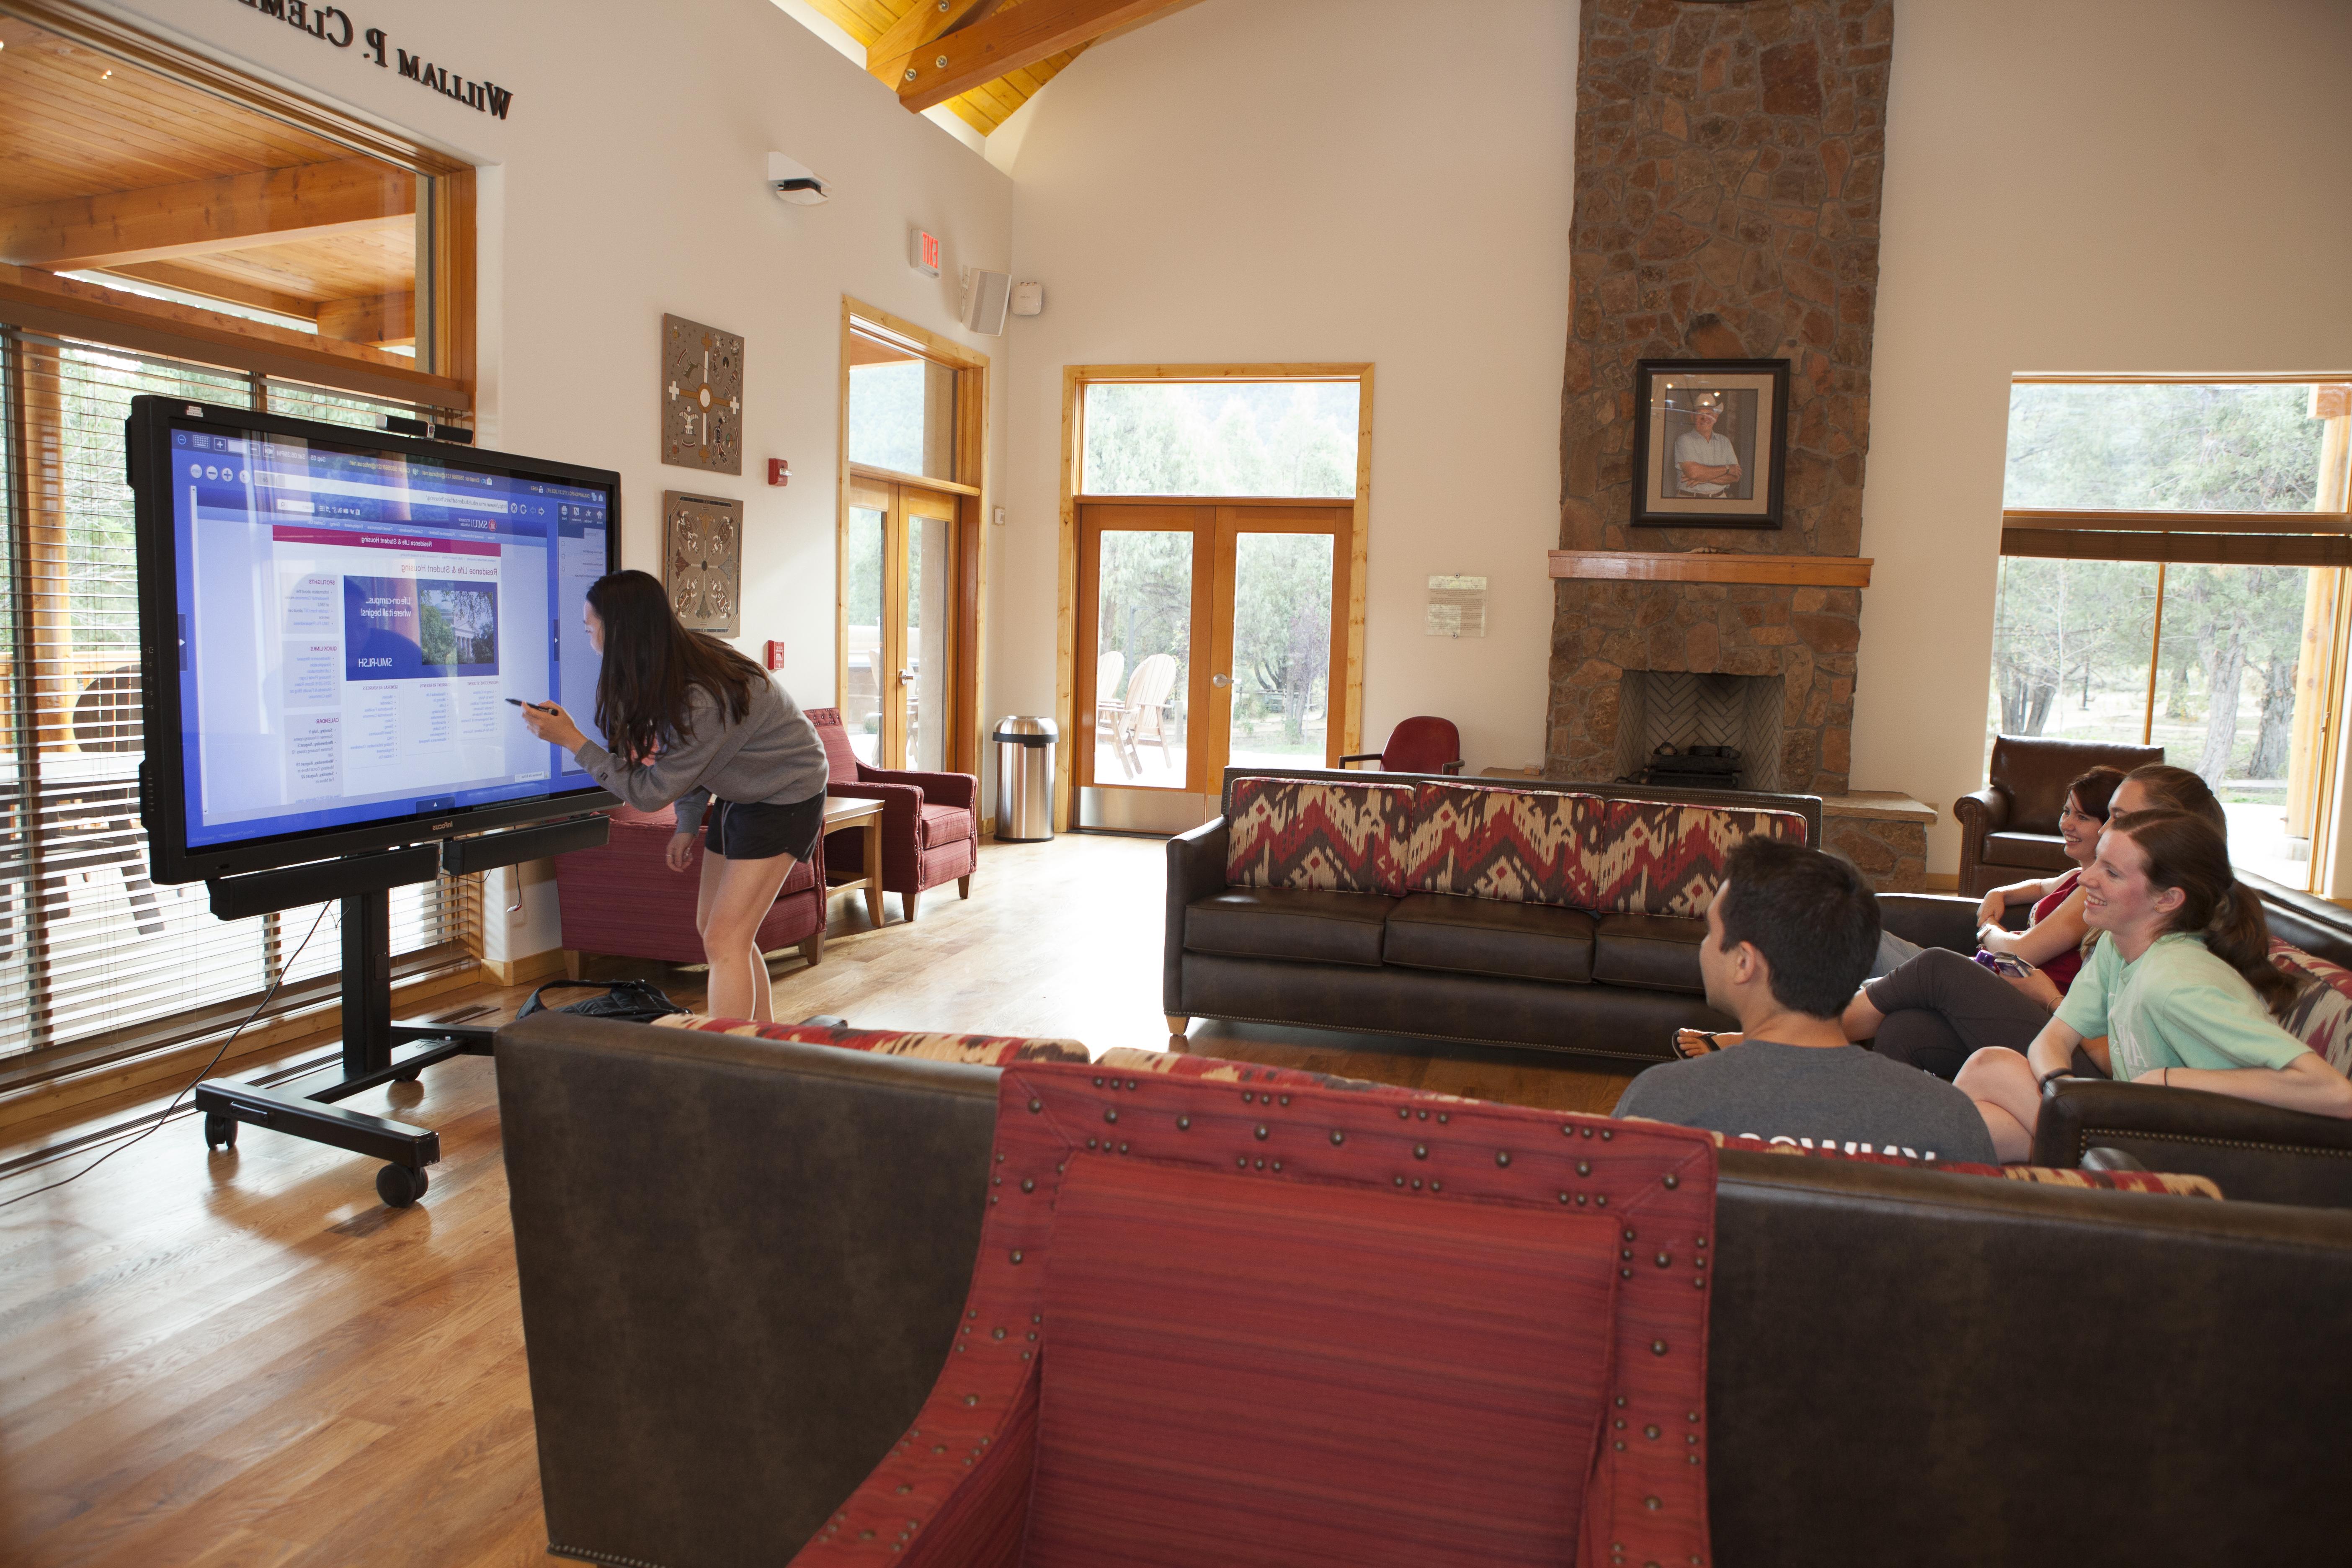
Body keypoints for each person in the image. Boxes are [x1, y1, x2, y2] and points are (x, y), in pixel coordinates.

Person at [1955, 808, 2352, 1162]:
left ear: (2167, 900)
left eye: (2111, 872)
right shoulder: (2118, 944)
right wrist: (2069, 1100)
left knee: (1988, 1071)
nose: (2087, 878)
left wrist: (2171, 1081)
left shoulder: (2177, 981)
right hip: (2136, 1132)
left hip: (2197, 1155)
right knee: (1984, 1108)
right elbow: (2052, 1040)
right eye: (2097, 862)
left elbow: (2339, 1095)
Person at [521, 570, 829, 1024]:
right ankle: (766, 1047)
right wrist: (688, 824)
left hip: (787, 793)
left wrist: (573, 742)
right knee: (720, 934)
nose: (588, 637)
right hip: (742, 791)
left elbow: (650, 793)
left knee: (726, 940)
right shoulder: (668, 668)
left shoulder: (699, 692)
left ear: (619, 630)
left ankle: (725, 1071)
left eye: (591, 628)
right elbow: (689, 760)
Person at [1615, 838, 1997, 1163]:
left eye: (1710, 931)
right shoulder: (1951, 1120)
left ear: (1744, 962)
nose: (1703, 947)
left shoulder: (1660, 1103)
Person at [1672, 394, 1743, 498]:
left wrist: (1704, 477)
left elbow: (1735, 476)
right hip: (1690, 500)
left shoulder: (1725, 442)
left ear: (1716, 417)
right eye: (1700, 414)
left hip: (1720, 500)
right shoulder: (1684, 440)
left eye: (1709, 414)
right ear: (1693, 417)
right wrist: (1727, 469)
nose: (1705, 418)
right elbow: (1694, 473)